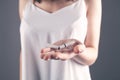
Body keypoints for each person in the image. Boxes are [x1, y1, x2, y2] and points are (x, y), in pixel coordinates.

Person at [19, 0, 102, 80]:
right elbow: (26, 50)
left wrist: (76, 51)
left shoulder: (90, 1)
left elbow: (92, 54)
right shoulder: (25, 1)